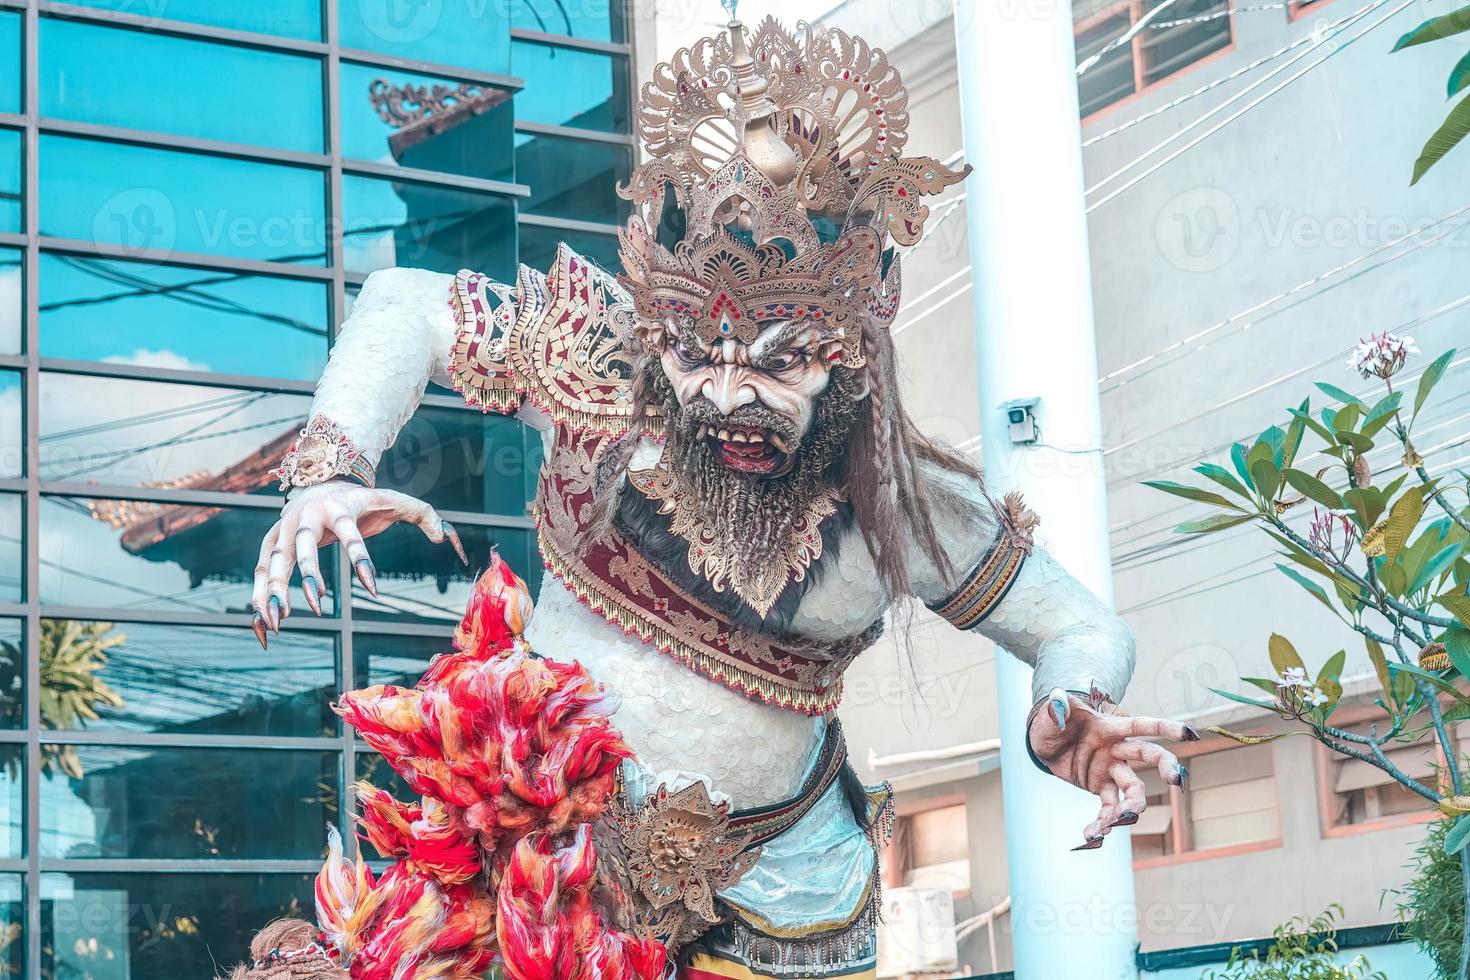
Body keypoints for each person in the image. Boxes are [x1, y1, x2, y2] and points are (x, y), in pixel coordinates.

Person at [247, 13, 1195, 978]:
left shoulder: (904, 505)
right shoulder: (599, 368)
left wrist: (1068, 702)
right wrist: (328, 470)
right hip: (532, 865)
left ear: (852, 359)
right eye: (699, 356)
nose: (730, 396)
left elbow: (1076, 626)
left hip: (784, 894)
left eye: (782, 367)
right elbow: (405, 303)